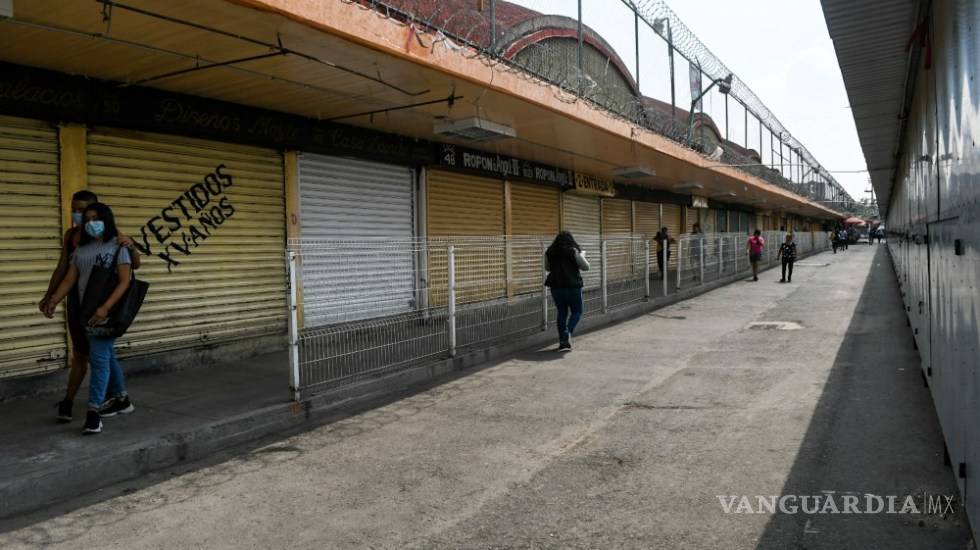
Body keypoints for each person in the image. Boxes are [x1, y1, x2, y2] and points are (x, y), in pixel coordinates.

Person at [40, 191, 139, 423]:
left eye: (83, 210)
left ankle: (96, 407)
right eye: (75, 210)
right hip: (78, 299)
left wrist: (132, 247)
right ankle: (108, 398)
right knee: (86, 352)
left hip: (103, 300)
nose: (80, 215)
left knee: (98, 354)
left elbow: (131, 267)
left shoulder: (114, 237)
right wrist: (50, 297)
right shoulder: (74, 238)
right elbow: (64, 270)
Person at [544, 231, 590, 351]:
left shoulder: (550, 251)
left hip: (556, 287)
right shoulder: (573, 251)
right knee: (577, 311)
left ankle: (562, 342)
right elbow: (586, 267)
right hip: (573, 286)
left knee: (562, 312)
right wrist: (581, 255)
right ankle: (567, 333)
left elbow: (547, 268)